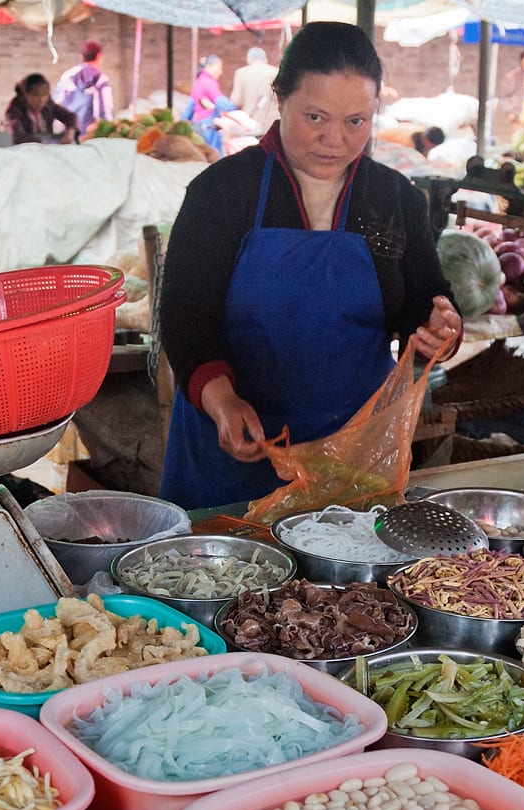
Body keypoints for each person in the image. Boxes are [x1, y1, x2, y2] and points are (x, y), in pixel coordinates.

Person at [158, 21, 459, 510]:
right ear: (280, 99)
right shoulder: (222, 192)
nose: (334, 140)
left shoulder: (394, 197)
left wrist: (439, 330)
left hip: (351, 458)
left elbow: (426, 300)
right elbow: (185, 318)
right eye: (315, 117)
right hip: (234, 455)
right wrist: (221, 401)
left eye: (356, 121)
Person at [55, 40, 113, 137]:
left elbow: (55, 104)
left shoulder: (68, 76)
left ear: (81, 56)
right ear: (99, 56)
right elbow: (105, 111)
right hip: (90, 136)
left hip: (68, 135)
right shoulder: (100, 79)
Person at [4, 73, 78, 144]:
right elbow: (18, 135)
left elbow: (70, 116)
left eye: (44, 95)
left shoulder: (49, 105)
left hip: (47, 145)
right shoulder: (14, 109)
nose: (41, 100)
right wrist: (41, 143)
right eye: (36, 95)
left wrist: (69, 133)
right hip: (25, 149)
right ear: (25, 95)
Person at [231, 46, 279, 132]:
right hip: (272, 124)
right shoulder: (276, 72)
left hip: (251, 124)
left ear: (249, 60)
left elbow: (236, 101)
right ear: (265, 59)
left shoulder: (241, 73)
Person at [190, 55, 227, 153]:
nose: (220, 72)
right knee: (214, 154)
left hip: (199, 123)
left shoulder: (199, 81)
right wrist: (234, 107)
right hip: (208, 124)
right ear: (209, 67)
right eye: (219, 68)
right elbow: (220, 101)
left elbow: (191, 105)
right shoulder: (208, 82)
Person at [495, 50, 524, 144]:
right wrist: (509, 112)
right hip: (518, 114)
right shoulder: (512, 76)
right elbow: (504, 96)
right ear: (522, 60)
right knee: (518, 141)